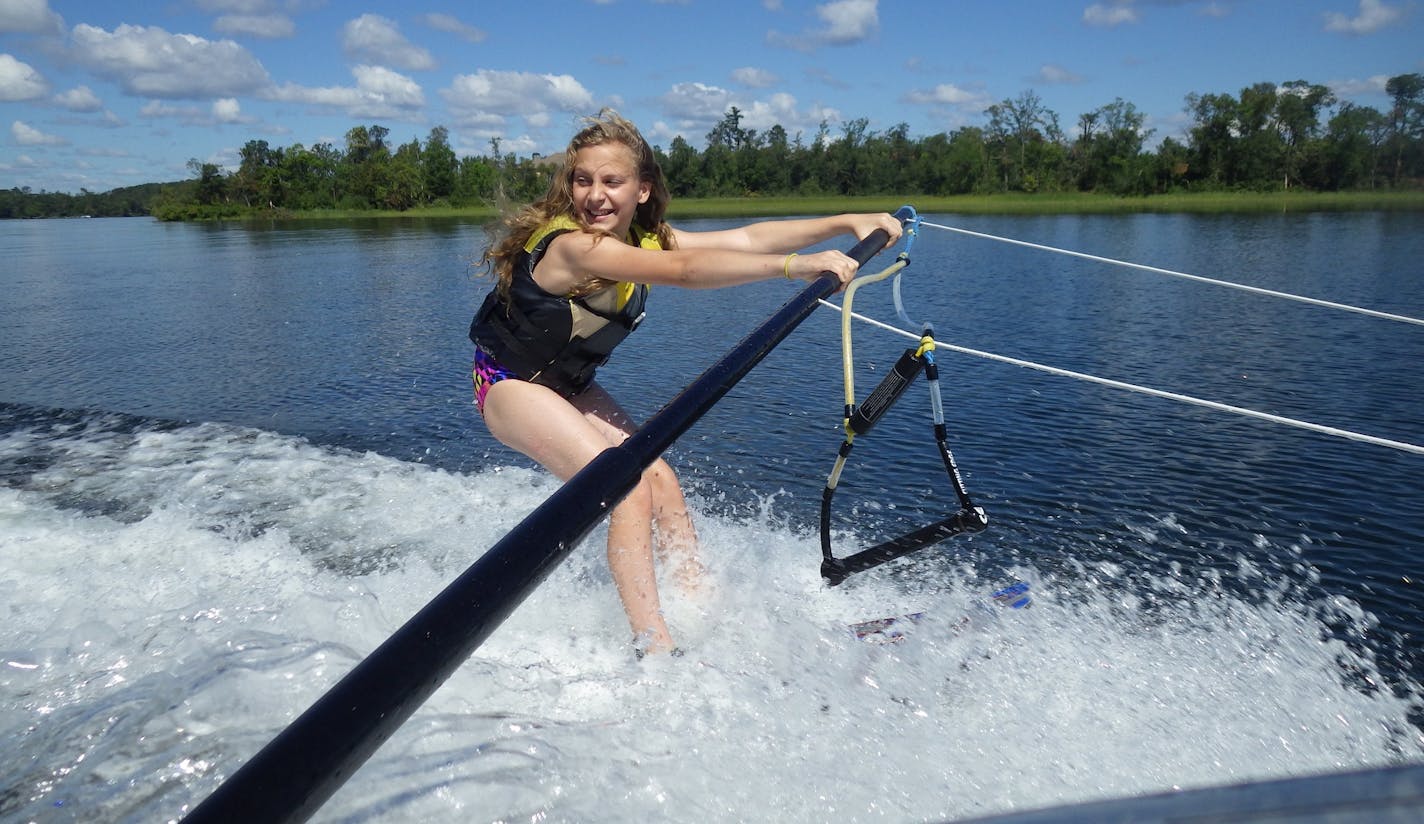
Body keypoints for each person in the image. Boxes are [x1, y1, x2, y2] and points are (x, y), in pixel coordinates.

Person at [469, 109, 902, 657]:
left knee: (663, 484)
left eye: (612, 181)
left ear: (642, 190)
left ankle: (699, 607)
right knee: (624, 491)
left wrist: (845, 220)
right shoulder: (575, 247)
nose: (595, 195)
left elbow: (747, 236)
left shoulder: (646, 239)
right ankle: (653, 648)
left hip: (564, 383)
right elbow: (687, 273)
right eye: (583, 180)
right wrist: (797, 266)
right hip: (507, 383)